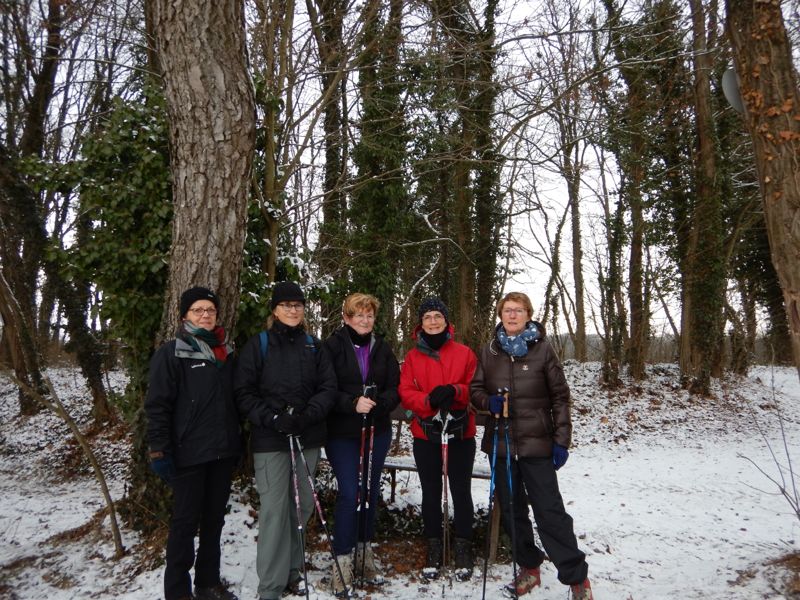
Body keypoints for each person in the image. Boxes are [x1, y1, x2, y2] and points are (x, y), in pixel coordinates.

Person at [470, 291, 593, 600]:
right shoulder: (489, 352)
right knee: (512, 511)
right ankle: (529, 567)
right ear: (500, 315)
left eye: (518, 310)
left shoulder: (543, 351)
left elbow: (560, 398)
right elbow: (474, 391)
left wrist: (561, 441)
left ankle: (577, 580)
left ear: (528, 315)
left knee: (550, 512)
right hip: (502, 445)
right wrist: (489, 402)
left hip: (538, 446)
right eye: (507, 310)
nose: (512, 315)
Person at [234, 281, 336, 600]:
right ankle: (271, 586)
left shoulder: (313, 346)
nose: (293, 310)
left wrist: (306, 416)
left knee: (302, 505)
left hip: (306, 437)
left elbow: (328, 388)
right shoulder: (260, 345)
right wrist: (274, 417)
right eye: (286, 305)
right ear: (275, 310)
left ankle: (293, 571)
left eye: (298, 305)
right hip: (271, 440)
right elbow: (244, 392)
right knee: (276, 511)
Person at [145, 286, 241, 600]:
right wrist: (159, 448)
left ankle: (207, 583)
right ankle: (177, 591)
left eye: (210, 310)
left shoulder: (225, 353)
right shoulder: (172, 352)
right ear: (185, 315)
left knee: (214, 520)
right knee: (185, 524)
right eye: (198, 310)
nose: (205, 315)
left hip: (221, 450)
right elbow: (157, 404)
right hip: (188, 453)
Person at [323, 293, 400, 594]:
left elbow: (396, 387)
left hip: (377, 431)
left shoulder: (382, 348)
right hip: (342, 432)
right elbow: (325, 387)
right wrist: (351, 402)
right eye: (358, 315)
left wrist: (379, 404)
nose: (365, 320)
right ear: (346, 318)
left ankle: (364, 553)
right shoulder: (331, 347)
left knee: (370, 489)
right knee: (350, 492)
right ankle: (342, 562)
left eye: (369, 315)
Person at [398, 297, 478, 579]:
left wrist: (456, 391)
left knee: (460, 490)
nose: (433, 321)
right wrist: (428, 399)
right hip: (426, 434)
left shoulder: (465, 353)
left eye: (437, 316)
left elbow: (475, 387)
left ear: (446, 320)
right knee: (431, 493)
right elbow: (405, 391)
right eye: (428, 316)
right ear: (420, 323)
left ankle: (463, 547)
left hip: (460, 433)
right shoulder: (412, 357)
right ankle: (433, 545)